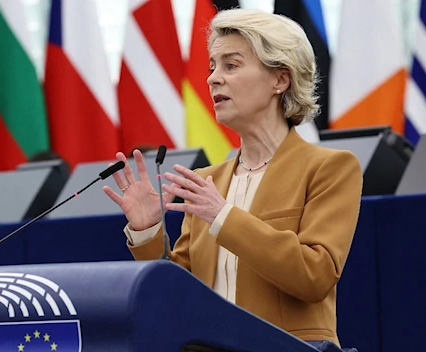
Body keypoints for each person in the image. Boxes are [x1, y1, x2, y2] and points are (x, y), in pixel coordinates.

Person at [103, 8, 362, 350]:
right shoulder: (206, 182)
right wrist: (149, 231)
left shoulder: (330, 168)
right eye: (212, 66)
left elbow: (315, 276)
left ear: (280, 80)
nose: (212, 78)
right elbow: (179, 297)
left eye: (231, 65)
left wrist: (223, 215)